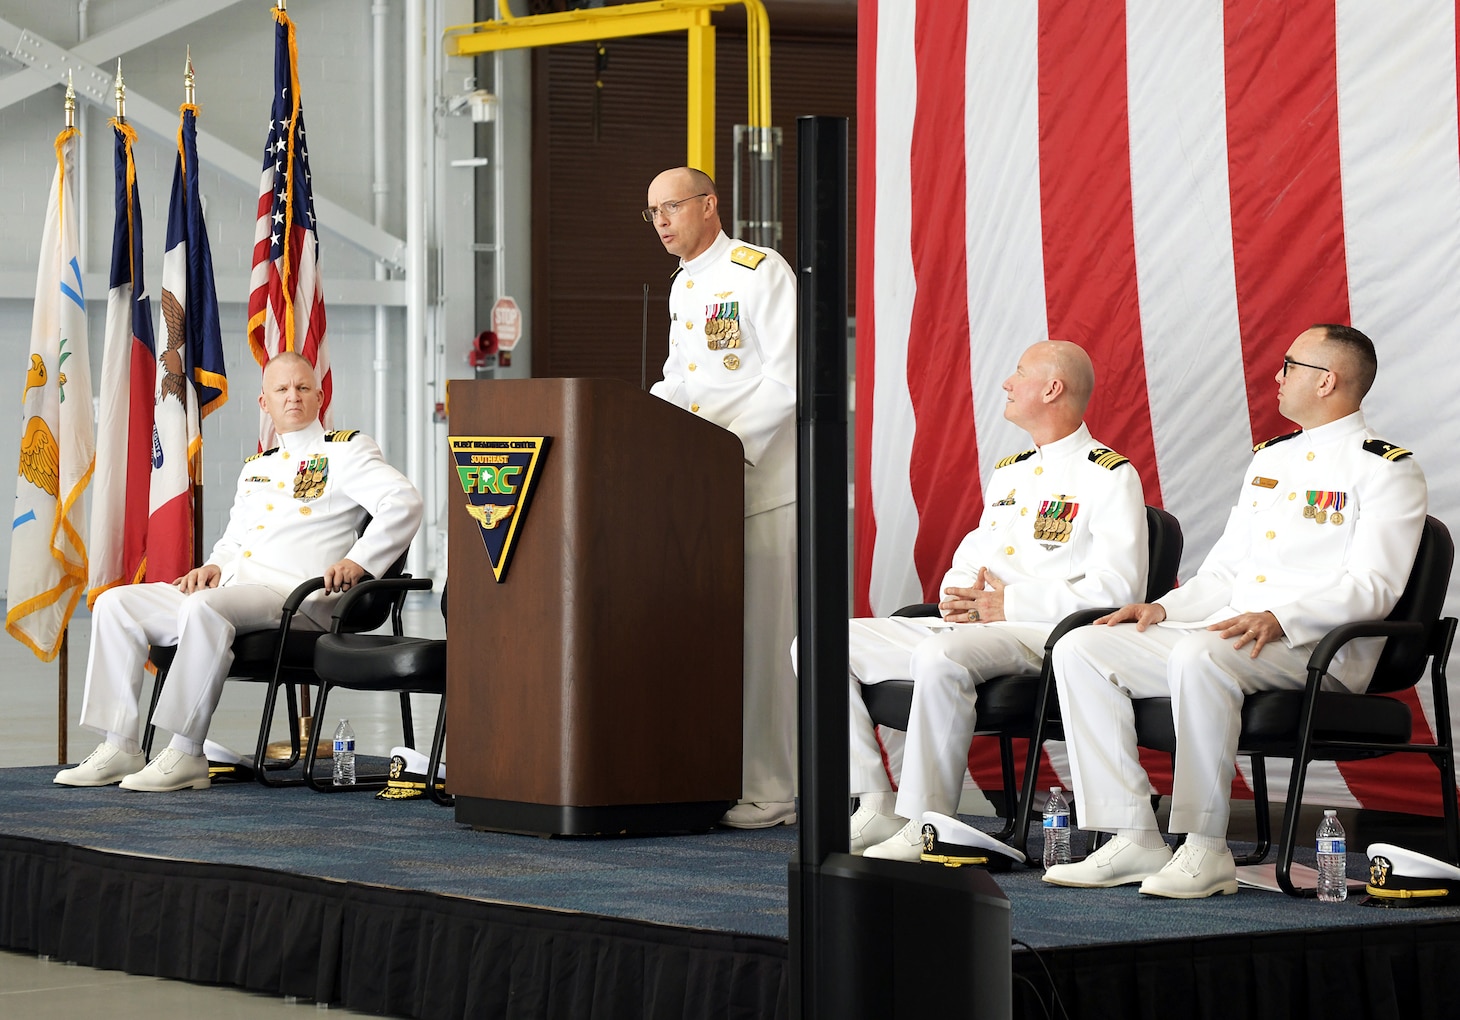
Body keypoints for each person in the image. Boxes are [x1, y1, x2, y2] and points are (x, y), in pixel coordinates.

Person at [1044, 324, 1427, 898]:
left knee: (1203, 654)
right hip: (1232, 638)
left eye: (1290, 365)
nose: (1277, 376)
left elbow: (1374, 586)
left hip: (1315, 649)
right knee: (1083, 648)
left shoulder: (1385, 468)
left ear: (1327, 380)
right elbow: (1224, 573)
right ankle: (1131, 834)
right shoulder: (1270, 459)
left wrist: (1280, 618)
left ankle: (1204, 847)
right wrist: (1159, 610)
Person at [56, 352, 423, 793]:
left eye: (303, 388)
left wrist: (360, 561)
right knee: (117, 604)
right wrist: (214, 565)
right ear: (264, 402)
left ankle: (185, 751)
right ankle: (120, 745)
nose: (293, 397)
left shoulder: (345, 451)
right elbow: (234, 541)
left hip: (296, 598)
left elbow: (404, 502)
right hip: (237, 589)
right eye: (282, 390)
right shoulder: (257, 467)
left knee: (205, 610)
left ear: (319, 397)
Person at [849, 341, 1149, 861]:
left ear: (1052, 388)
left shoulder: (1108, 475)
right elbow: (972, 557)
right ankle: (876, 802)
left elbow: (1118, 591)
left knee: (940, 656)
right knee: (820, 643)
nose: (1007, 383)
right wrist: (957, 596)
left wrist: (1010, 606)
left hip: (1041, 636)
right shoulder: (1009, 472)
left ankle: (926, 822)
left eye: (1019, 372)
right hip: (975, 628)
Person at [645, 166, 799, 828]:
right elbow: (681, 379)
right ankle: (717, 771)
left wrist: (724, 447)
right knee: (711, 638)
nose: (661, 222)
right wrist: (637, 423)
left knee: (766, 644)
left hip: (760, 481)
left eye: (671, 207)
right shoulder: (685, 287)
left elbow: (789, 379)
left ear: (710, 205)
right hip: (698, 490)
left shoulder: (758, 272)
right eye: (651, 213)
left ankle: (775, 788)